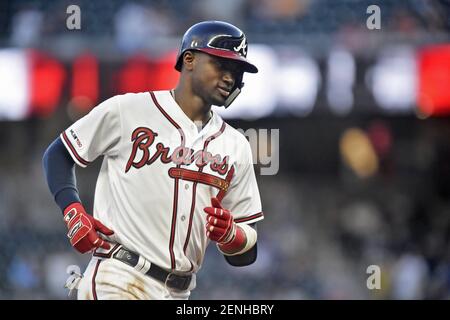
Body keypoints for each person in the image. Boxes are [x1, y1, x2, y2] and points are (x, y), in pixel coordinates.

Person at [42, 20, 264, 300]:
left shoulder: (236, 145)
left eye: (237, 70)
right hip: (120, 275)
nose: (230, 78)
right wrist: (73, 210)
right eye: (221, 65)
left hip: (180, 292)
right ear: (189, 59)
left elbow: (245, 255)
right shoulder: (129, 110)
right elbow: (58, 153)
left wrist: (232, 235)